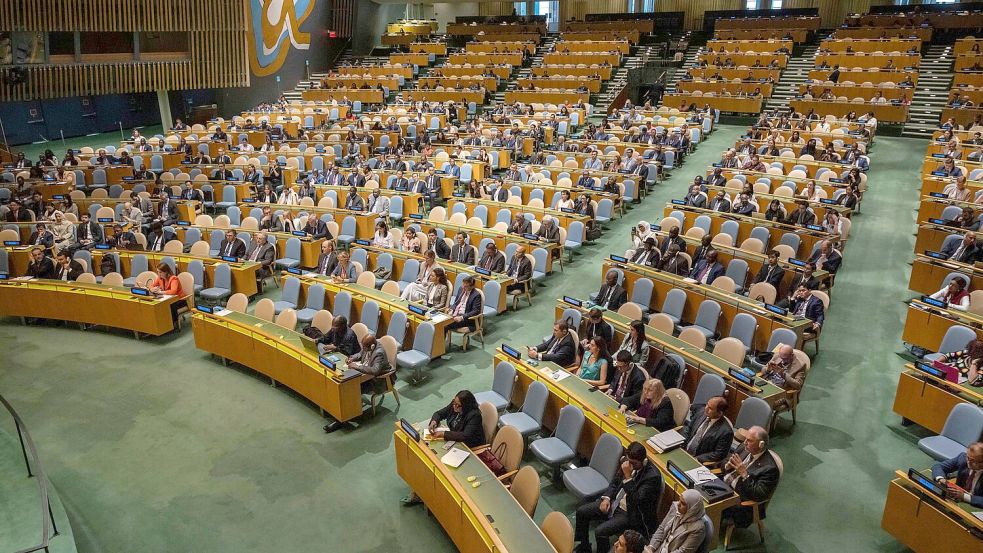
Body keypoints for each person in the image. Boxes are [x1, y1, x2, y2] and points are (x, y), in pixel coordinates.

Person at [573, 441, 664, 553]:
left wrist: (628, 477)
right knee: (582, 512)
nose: (629, 465)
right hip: (615, 502)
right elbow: (615, 482)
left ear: (643, 461)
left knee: (600, 531)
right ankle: (584, 546)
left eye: (633, 463)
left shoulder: (652, 477)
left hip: (629, 513)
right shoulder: (628, 462)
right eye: (628, 461)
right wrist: (606, 498)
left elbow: (637, 500)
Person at [720, 426, 781, 529]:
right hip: (724, 485)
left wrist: (745, 475)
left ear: (761, 444)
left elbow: (758, 494)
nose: (745, 443)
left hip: (741, 501)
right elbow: (725, 461)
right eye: (746, 439)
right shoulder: (743, 448)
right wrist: (727, 466)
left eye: (749, 440)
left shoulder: (770, 469)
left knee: (710, 505)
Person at [682, 396, 734, 464]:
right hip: (683, 450)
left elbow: (718, 454)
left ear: (720, 413)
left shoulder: (726, 432)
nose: (706, 409)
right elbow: (688, 429)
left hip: (698, 461)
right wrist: (681, 443)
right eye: (707, 404)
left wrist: (696, 459)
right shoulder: (701, 412)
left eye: (710, 408)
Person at [932, 442, 983, 507]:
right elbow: (938, 466)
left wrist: (964, 496)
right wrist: (941, 479)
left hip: (976, 504)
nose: (968, 462)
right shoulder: (962, 458)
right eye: (968, 458)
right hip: (955, 498)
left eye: (973, 460)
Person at [759, 344, 807, 410]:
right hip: (768, 384)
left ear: (792, 355)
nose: (783, 361)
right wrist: (768, 369)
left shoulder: (800, 366)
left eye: (786, 359)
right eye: (782, 358)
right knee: (751, 394)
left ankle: (765, 419)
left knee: (764, 402)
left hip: (783, 392)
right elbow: (763, 370)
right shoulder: (777, 356)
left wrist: (783, 374)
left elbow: (798, 385)